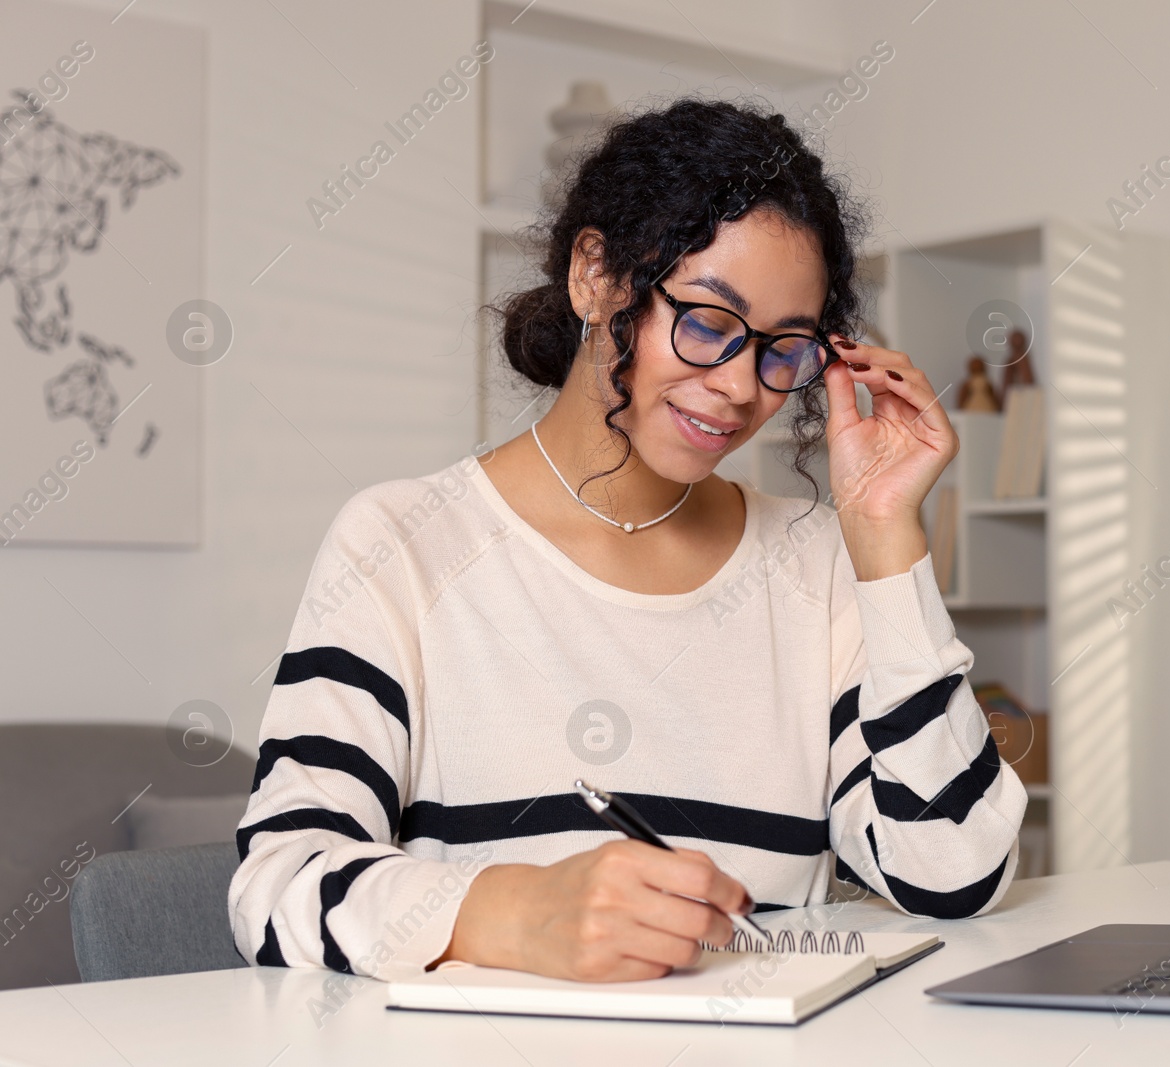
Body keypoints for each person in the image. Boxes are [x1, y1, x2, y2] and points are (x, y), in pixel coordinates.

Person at [228, 97, 1027, 985]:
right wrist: (515, 911)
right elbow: (277, 883)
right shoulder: (401, 544)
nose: (736, 387)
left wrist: (884, 538)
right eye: (709, 322)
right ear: (596, 276)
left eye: (781, 349)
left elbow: (956, 875)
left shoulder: (816, 561)